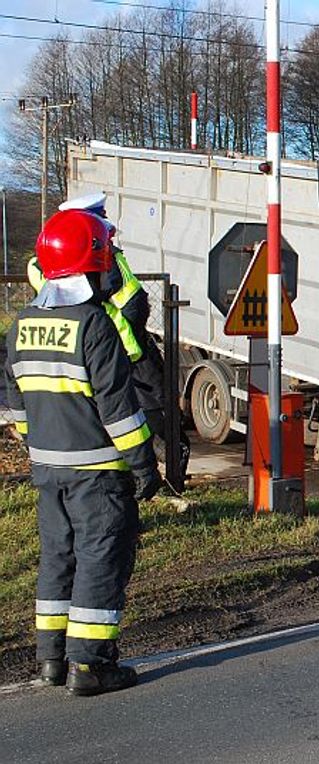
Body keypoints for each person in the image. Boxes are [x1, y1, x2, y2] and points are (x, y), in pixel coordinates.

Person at [4, 209, 162, 696]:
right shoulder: (94, 324)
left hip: (48, 470)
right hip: (99, 473)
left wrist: (42, 445)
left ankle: (52, 659)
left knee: (58, 558)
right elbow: (120, 411)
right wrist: (145, 466)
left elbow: (15, 405)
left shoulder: (22, 323)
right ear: (91, 264)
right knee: (99, 560)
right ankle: (90, 666)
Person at [27, 192, 189, 482]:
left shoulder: (39, 266)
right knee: (146, 414)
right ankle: (161, 475)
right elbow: (133, 303)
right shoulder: (107, 257)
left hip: (71, 349)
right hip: (125, 350)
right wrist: (129, 341)